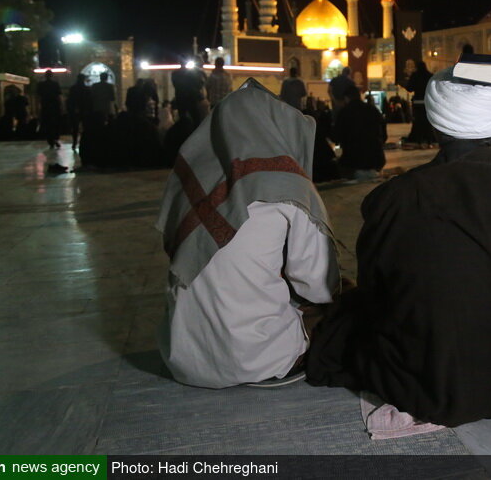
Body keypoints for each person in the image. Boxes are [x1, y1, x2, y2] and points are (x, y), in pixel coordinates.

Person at [307, 51, 491, 427]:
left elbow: (380, 294)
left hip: (437, 387)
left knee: (345, 318)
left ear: (437, 127)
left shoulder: (397, 199)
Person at [157, 79, 339, 388]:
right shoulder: (289, 187)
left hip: (184, 360)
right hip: (264, 360)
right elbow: (318, 286)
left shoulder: (189, 183)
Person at [332, 85, 387, 179]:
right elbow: (384, 136)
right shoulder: (373, 110)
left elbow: (336, 138)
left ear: (346, 98)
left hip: (353, 161)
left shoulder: (344, 113)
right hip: (376, 159)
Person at [403, 59, 436, 148]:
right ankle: (429, 138)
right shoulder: (430, 76)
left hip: (417, 102)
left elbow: (409, 88)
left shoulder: (415, 75)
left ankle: (419, 138)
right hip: (427, 102)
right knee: (427, 121)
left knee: (418, 121)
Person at [172, 60, 205, 125]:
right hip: (192, 98)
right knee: (196, 118)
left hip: (180, 98)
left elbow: (175, 85)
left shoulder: (175, 74)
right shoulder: (192, 73)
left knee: (182, 118)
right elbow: (199, 84)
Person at [37, 70, 62, 149]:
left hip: (45, 107)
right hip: (54, 107)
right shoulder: (55, 84)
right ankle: (55, 139)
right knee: (55, 124)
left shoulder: (41, 85)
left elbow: (39, 96)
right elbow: (58, 96)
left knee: (47, 124)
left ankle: (50, 140)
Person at [67, 74, 92, 151]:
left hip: (75, 110)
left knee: (75, 128)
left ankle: (74, 142)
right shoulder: (87, 89)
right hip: (84, 110)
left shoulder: (73, 88)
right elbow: (89, 101)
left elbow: (70, 100)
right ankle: (85, 142)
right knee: (85, 127)